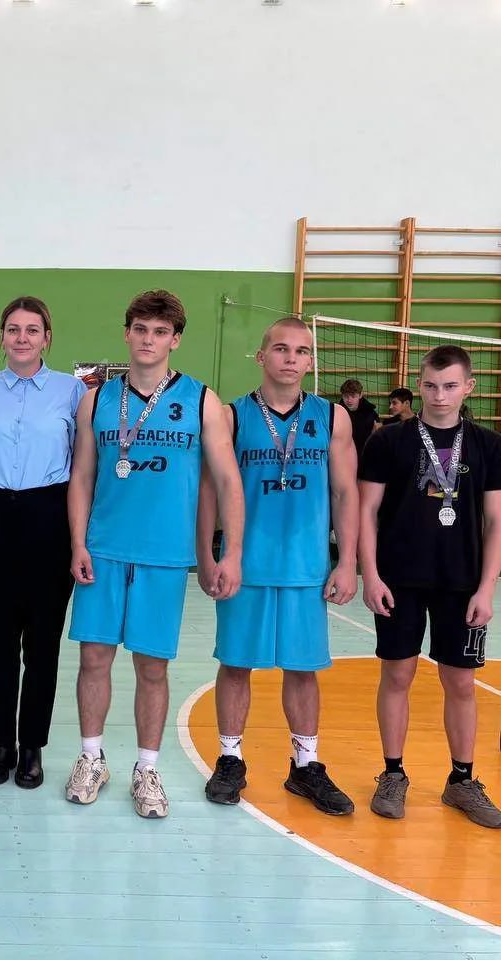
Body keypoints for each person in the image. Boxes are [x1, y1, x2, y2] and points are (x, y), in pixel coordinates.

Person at [65, 289, 244, 819]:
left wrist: (230, 553)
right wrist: (78, 542)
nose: (148, 340)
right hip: (104, 548)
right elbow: (82, 475)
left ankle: (146, 768)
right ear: (127, 333)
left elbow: (228, 481)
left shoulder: (201, 400)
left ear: (175, 340)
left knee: (151, 667)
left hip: (164, 555)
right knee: (93, 658)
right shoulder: (96, 399)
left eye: (160, 332)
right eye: (140, 329)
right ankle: (91, 757)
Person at [197, 317, 358, 814]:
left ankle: (305, 766)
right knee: (235, 664)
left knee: (304, 669)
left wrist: (347, 561)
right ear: (261, 356)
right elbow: (209, 491)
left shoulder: (333, 417)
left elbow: (345, 493)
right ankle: (230, 759)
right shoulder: (232, 416)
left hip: (307, 567)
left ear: (311, 361)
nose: (291, 358)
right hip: (245, 566)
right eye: (281, 349)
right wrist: (209, 555)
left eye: (301, 351)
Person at [360, 345, 501, 828]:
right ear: (419, 385)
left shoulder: (488, 445)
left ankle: (461, 780)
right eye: (431, 385)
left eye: (450, 386)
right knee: (397, 675)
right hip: (398, 578)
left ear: (469, 388)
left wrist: (486, 589)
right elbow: (366, 512)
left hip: (462, 582)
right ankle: (392, 773)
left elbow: (496, 521)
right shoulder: (387, 441)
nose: (439, 395)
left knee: (460, 681)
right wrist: (370, 574)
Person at [0, 296, 86, 789]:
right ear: (2, 336)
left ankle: (32, 745)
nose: (22, 338)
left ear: (46, 338)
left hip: (48, 518)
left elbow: (84, 468)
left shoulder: (73, 392)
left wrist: (78, 536)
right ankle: (2, 745)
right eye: (13, 329)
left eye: (32, 330)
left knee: (43, 643)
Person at [339, 378, 380, 454]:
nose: (349, 400)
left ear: (360, 395)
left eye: (353, 396)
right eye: (346, 396)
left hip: (365, 452)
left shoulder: (370, 414)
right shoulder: (337, 413)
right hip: (343, 452)